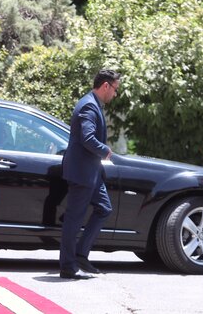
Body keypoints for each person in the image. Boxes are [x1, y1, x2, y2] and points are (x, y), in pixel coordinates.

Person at [59, 69, 120, 279]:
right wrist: (106, 151)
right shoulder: (88, 105)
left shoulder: (92, 103)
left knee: (104, 208)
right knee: (74, 220)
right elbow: (87, 138)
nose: (115, 94)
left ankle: (81, 254)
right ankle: (68, 266)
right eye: (115, 89)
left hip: (91, 172)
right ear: (106, 86)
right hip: (81, 172)